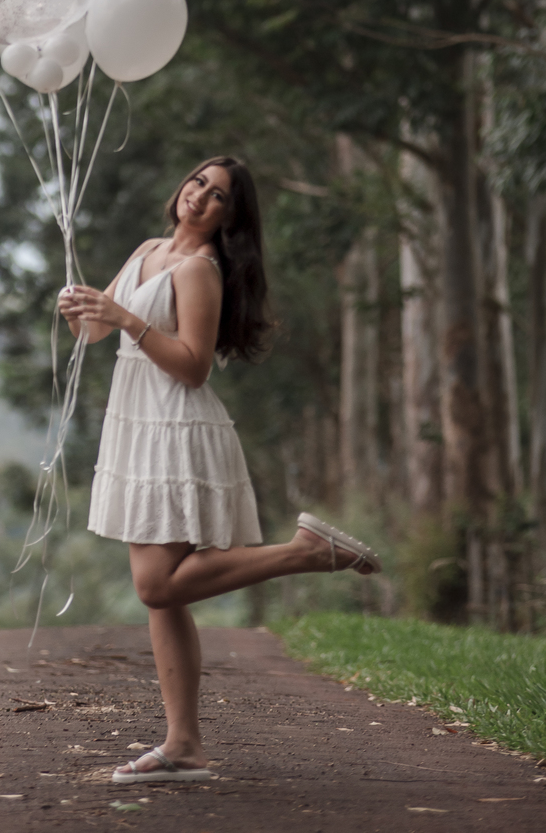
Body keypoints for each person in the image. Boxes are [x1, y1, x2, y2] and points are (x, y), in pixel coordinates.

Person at [59, 155, 380, 785]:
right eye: (198, 182)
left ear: (231, 219)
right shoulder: (149, 247)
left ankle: (306, 553)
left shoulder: (200, 270)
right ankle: (183, 745)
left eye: (219, 197)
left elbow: (193, 365)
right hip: (137, 426)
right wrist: (83, 311)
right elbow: (97, 335)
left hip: (176, 428)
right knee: (164, 596)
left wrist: (127, 317)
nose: (200, 197)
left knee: (157, 586)